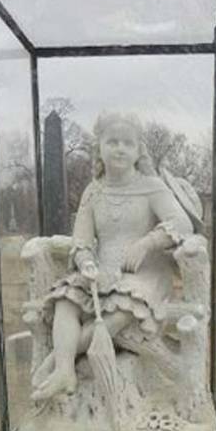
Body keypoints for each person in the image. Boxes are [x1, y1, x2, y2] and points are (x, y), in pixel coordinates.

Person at [31, 111, 193, 401]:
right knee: (66, 302)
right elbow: (81, 240)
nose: (120, 148)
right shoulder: (93, 192)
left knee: (120, 313)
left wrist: (147, 243)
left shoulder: (151, 187)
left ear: (138, 151)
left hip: (144, 274)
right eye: (113, 141)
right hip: (101, 271)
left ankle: (54, 361)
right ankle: (65, 372)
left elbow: (182, 223)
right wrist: (86, 262)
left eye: (128, 143)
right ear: (100, 148)